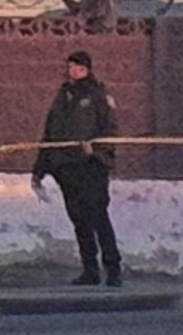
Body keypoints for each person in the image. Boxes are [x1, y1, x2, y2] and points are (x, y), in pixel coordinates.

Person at [33, 49, 125, 286]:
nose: (72, 71)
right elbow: (50, 131)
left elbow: (110, 130)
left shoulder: (97, 94)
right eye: (70, 66)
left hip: (91, 166)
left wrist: (96, 152)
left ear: (87, 69)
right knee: (79, 220)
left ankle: (113, 268)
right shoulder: (63, 95)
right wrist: (40, 167)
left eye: (77, 67)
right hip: (65, 166)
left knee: (98, 217)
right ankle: (90, 269)